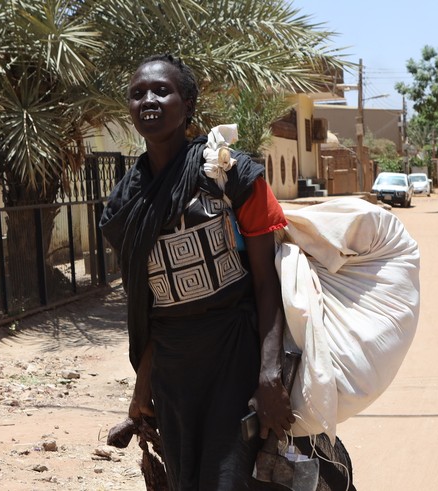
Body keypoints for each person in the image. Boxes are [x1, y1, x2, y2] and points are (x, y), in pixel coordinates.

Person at [100, 54, 352, 490]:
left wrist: (269, 375)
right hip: (175, 370)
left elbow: (265, 280)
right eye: (137, 94)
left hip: (235, 352)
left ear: (189, 104)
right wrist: (142, 394)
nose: (149, 100)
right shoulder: (127, 201)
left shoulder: (230, 175)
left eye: (162, 90)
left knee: (230, 477)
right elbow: (150, 306)